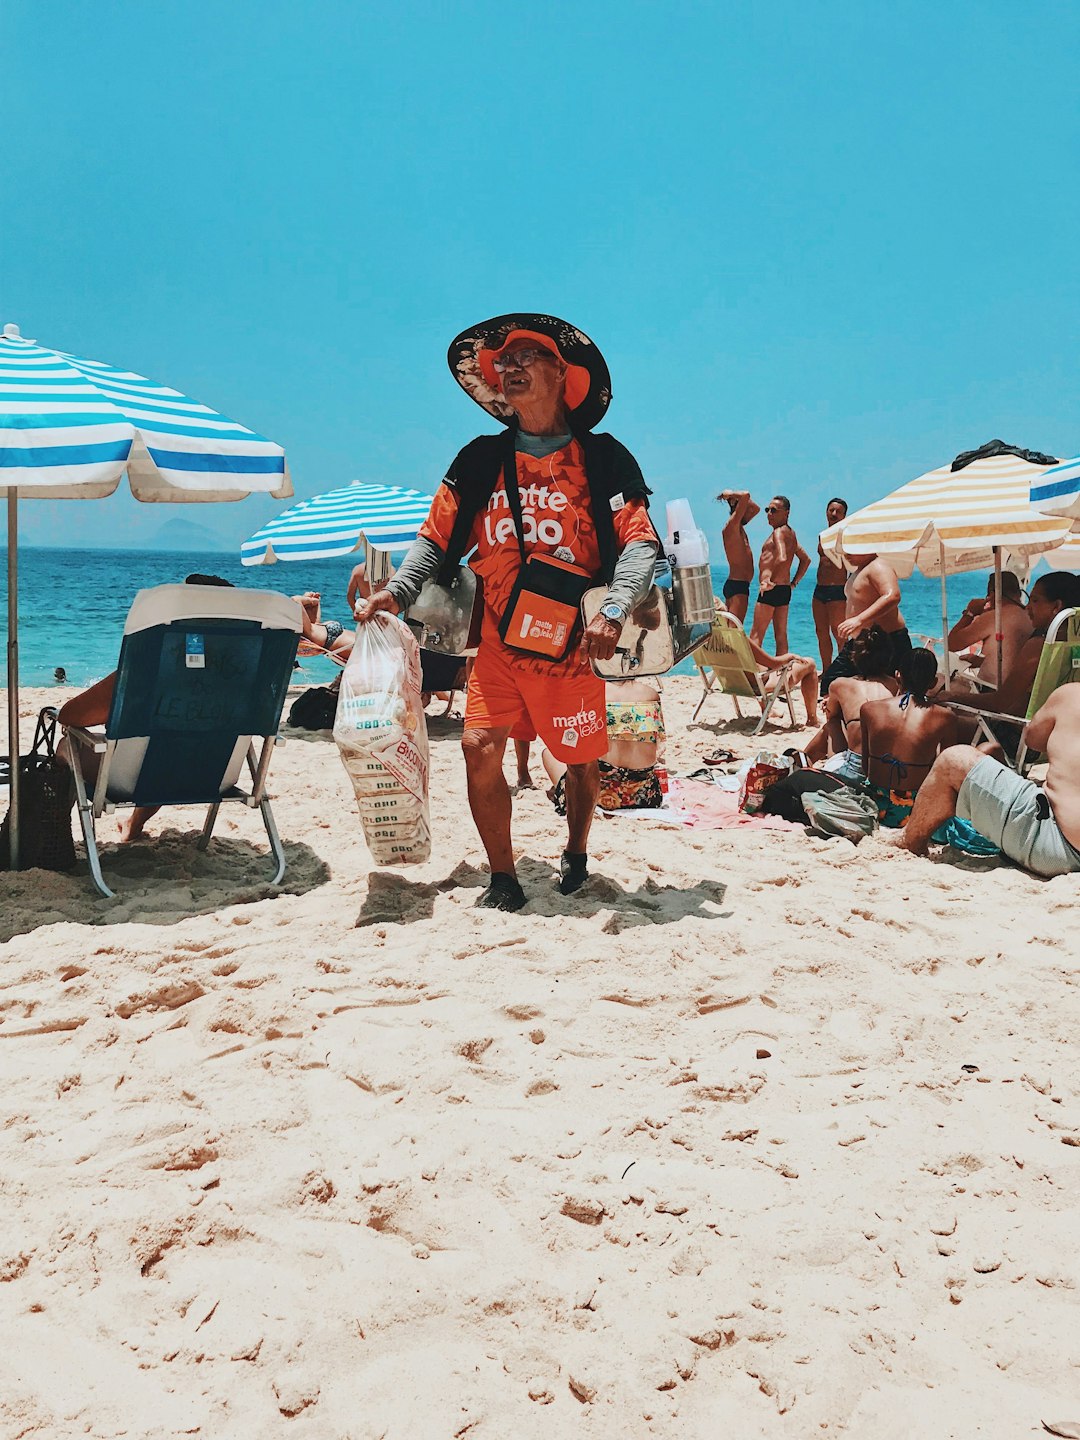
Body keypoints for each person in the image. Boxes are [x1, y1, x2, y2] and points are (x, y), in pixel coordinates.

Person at [356, 313, 660, 912]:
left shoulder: (603, 459)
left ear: (562, 374)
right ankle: (504, 877)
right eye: (503, 361)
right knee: (478, 746)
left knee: (578, 759)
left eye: (525, 355)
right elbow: (435, 538)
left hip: (577, 649)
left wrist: (616, 607)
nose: (508, 366)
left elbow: (640, 542)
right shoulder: (477, 459)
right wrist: (398, 590)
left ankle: (575, 852)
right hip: (499, 645)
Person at [56, 574, 236, 843]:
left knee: (68, 745)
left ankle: (56, 836)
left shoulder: (147, 666)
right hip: (215, 774)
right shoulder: (244, 673)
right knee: (171, 745)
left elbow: (70, 716)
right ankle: (134, 824)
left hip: (140, 779)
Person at [899, 686, 1080, 876]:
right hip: (1067, 840)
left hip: (1059, 846)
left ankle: (910, 843)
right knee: (992, 752)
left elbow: (1033, 739)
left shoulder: (1070, 695)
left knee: (953, 761)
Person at [940, 573, 1079, 750]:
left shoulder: (1038, 645)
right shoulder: (1070, 644)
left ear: (1056, 606)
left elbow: (999, 702)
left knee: (941, 722)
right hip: (1057, 738)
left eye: (1035, 600)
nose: (1027, 607)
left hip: (1020, 739)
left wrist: (951, 697)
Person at [857, 648, 958, 826]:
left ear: (897, 675)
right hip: (913, 808)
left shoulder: (869, 709)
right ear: (933, 682)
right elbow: (945, 772)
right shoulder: (946, 718)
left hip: (873, 802)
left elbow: (866, 766)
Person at [542, 677, 665, 814]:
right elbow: (660, 745)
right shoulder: (651, 694)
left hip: (594, 797)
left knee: (548, 753)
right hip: (644, 797)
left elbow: (571, 744)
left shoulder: (591, 693)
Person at [802, 624, 899, 781]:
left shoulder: (840, 685)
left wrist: (836, 709)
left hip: (855, 771)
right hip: (889, 767)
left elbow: (831, 718)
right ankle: (802, 762)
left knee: (831, 725)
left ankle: (801, 763)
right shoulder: (895, 685)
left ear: (855, 657)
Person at [819, 552, 911, 695]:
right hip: (862, 640)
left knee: (894, 689)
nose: (846, 554)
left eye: (852, 549)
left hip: (887, 640)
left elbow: (892, 596)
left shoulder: (878, 566)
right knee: (830, 683)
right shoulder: (860, 569)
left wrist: (859, 620)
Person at [947, 571, 1031, 688]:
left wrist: (970, 613)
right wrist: (981, 662)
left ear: (992, 594)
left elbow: (952, 644)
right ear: (1018, 593)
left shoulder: (994, 617)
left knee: (941, 687)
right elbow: (1012, 660)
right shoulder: (1031, 617)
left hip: (990, 691)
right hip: (1018, 692)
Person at [750, 496, 810, 655]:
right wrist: (794, 583)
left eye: (774, 510)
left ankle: (752, 674)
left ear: (786, 513)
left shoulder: (778, 533)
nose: (769, 513)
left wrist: (769, 581)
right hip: (784, 590)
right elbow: (806, 559)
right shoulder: (791, 534)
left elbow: (782, 558)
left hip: (771, 589)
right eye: (767, 510)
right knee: (781, 635)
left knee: (756, 634)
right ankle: (781, 674)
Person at [812, 497, 849, 671]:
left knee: (839, 634)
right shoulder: (822, 535)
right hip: (820, 589)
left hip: (838, 589)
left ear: (844, 515)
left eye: (838, 511)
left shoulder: (845, 536)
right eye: (831, 510)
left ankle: (841, 670)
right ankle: (827, 670)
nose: (833, 514)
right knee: (821, 633)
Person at [717, 489, 759, 623]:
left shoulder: (738, 527)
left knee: (732, 629)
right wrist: (729, 495)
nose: (750, 511)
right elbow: (746, 495)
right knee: (735, 630)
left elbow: (756, 509)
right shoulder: (732, 525)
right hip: (738, 584)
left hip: (739, 584)